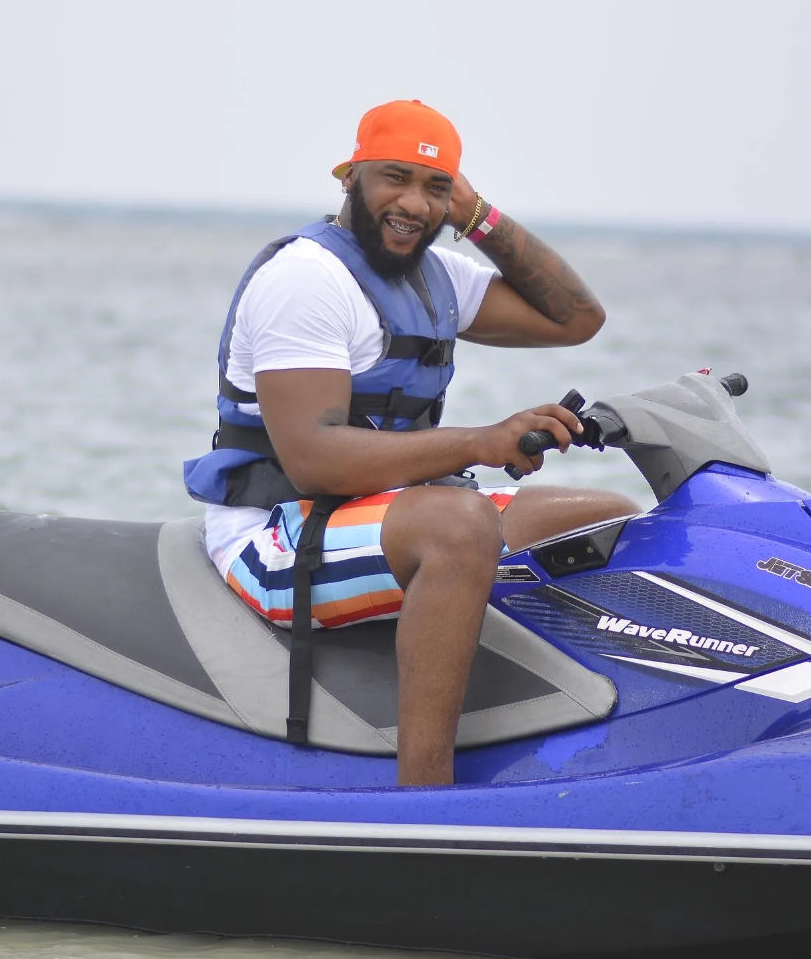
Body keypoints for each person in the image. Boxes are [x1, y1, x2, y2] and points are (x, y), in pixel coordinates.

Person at [184, 99, 636, 786]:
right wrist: (483, 441)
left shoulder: (438, 278)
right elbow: (313, 459)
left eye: (435, 188)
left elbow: (577, 318)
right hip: (276, 537)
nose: (413, 203)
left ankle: (589, 743)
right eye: (394, 177)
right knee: (462, 523)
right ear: (352, 178)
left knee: (605, 515)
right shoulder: (306, 279)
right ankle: (425, 794)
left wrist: (479, 215)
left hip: (379, 517)